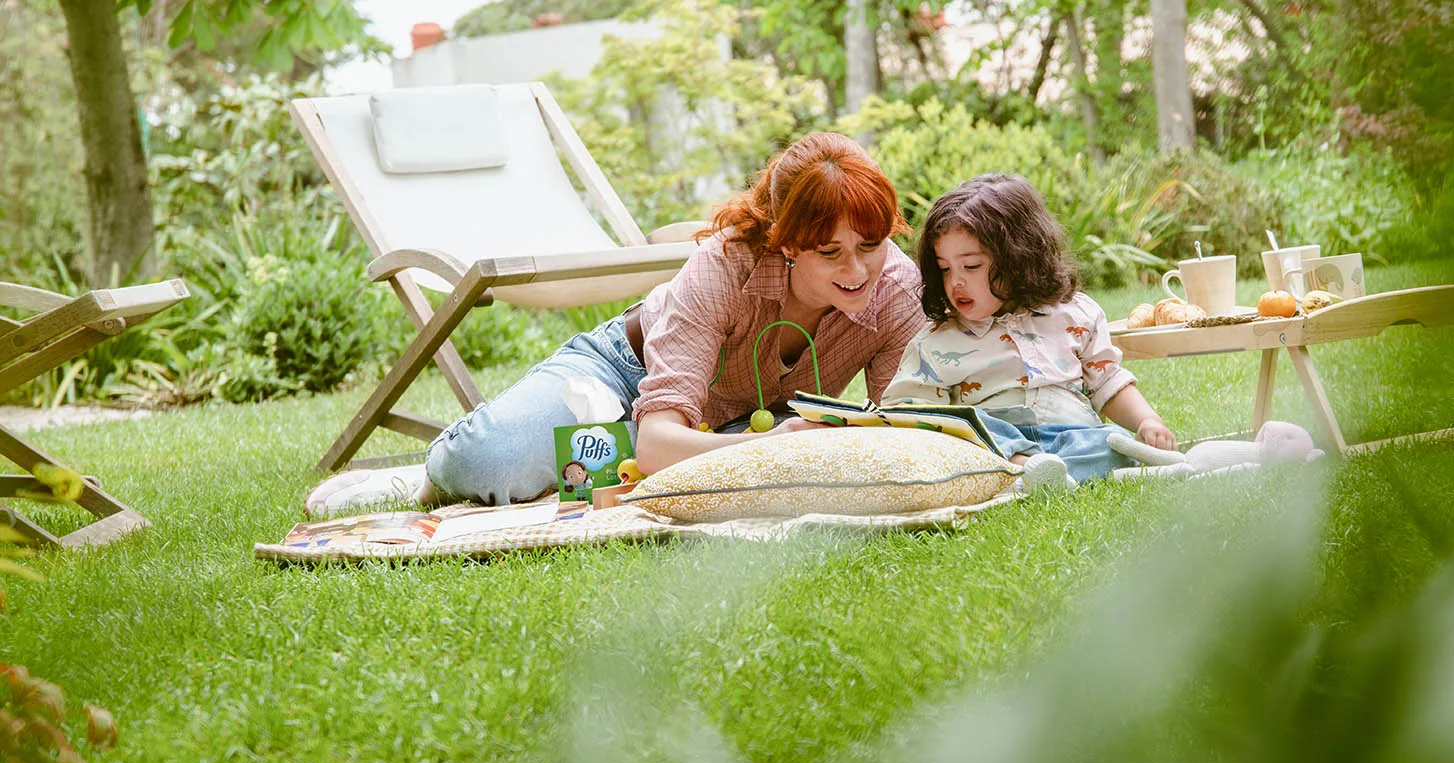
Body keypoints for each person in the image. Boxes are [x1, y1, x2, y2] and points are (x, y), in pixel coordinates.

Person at [305, 132, 927, 517]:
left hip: (736, 417)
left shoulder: (896, 287)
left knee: (591, 466)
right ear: (788, 243)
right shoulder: (724, 267)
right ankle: (429, 475)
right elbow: (657, 441)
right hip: (623, 376)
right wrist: (775, 448)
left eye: (870, 244)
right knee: (489, 463)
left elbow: (901, 421)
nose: (858, 269)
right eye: (830, 252)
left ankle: (574, 460)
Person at [881, 173, 1176, 493]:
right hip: (997, 446)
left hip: (1073, 438)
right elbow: (908, 413)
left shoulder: (1076, 315)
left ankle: (1126, 467)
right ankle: (1028, 471)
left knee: (1106, 442)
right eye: (945, 268)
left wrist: (1148, 421)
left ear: (1018, 259)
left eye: (971, 266)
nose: (956, 282)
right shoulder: (935, 343)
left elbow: (1108, 383)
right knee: (971, 429)